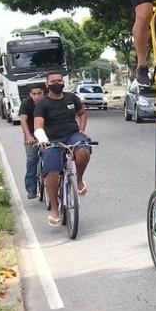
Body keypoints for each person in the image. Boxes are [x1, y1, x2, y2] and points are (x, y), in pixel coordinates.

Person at [33, 72, 91, 227]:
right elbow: (38, 126)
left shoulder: (72, 98)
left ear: (63, 82)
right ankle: (54, 208)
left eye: (59, 80)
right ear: (47, 84)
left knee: (83, 150)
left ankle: (79, 179)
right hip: (52, 140)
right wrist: (42, 139)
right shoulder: (42, 104)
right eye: (53, 81)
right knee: (51, 172)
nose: (57, 83)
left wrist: (82, 129)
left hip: (72, 135)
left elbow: (82, 113)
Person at [19, 85, 45, 200]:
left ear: (43, 93)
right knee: (31, 160)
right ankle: (31, 189)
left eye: (39, 93)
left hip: (45, 135)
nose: (37, 96)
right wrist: (29, 137)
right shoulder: (26, 104)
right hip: (31, 136)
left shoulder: (46, 102)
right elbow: (23, 121)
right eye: (34, 94)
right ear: (30, 94)